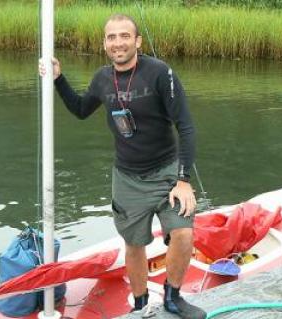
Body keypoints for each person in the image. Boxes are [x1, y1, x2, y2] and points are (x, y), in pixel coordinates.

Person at [39, 14, 206, 319]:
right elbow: (79, 110)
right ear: (105, 43)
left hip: (168, 174)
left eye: (125, 36)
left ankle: (173, 297)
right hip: (127, 178)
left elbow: (186, 127)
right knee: (134, 244)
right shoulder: (102, 78)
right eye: (111, 37)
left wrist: (183, 179)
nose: (118, 42)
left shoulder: (160, 73)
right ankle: (140, 304)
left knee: (183, 233)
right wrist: (58, 78)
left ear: (137, 41)